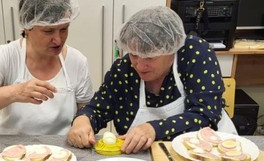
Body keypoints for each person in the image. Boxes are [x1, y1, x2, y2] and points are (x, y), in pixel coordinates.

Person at [67, 6, 237, 153]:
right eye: (134, 54)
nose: (140, 65)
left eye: (149, 57)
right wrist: (83, 119)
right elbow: (98, 108)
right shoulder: (124, 69)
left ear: (172, 48)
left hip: (209, 153)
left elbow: (205, 114)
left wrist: (154, 129)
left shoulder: (195, 53)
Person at [0, 0, 94, 135]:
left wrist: (82, 123)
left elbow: (86, 111)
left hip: (61, 150)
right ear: (27, 27)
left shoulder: (77, 61)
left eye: (64, 29)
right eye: (48, 31)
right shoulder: (7, 55)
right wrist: (16, 92)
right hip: (11, 149)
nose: (58, 40)